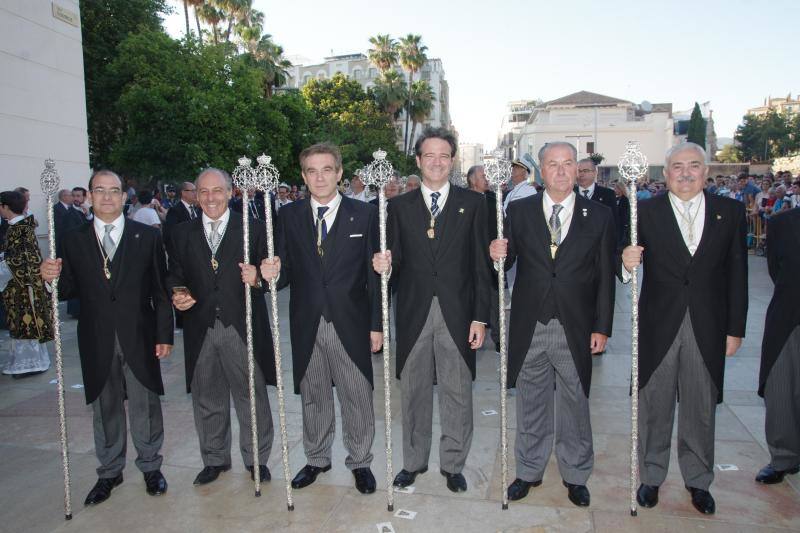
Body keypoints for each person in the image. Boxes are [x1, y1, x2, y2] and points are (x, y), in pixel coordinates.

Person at [621, 142, 748, 515]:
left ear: (706, 172)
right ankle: (651, 476)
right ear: (665, 173)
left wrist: (734, 328)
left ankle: (698, 480)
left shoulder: (730, 211)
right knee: (653, 405)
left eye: (694, 165)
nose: (686, 173)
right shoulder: (644, 211)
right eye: (677, 166)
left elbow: (737, 273)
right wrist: (626, 263)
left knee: (700, 407)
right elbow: (620, 255)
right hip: (659, 324)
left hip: (708, 326)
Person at [489, 142, 615, 507]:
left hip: (575, 324)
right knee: (530, 400)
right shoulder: (520, 209)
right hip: (531, 322)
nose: (560, 171)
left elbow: (606, 277)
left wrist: (602, 326)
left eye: (568, 163)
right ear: (540, 171)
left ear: (577, 169)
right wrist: (496, 252)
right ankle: (529, 470)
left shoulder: (600, 215)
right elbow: (507, 256)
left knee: (575, 401)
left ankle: (576, 473)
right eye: (552, 164)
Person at [40, 170, 173, 505]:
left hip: (140, 334)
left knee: (145, 403)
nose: (108, 197)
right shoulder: (73, 239)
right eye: (100, 191)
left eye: (114, 191)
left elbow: (160, 289)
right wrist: (48, 278)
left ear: (124, 196)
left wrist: (164, 334)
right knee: (105, 405)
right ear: (88, 195)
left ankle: (150, 466)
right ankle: (110, 471)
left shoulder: (147, 235)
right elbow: (67, 289)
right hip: (96, 336)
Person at [373, 127, 491, 493]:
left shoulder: (473, 204)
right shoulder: (397, 207)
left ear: (452, 160)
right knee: (414, 392)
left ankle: (453, 463)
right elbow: (389, 268)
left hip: (458, 312)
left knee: (458, 391)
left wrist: (481, 316)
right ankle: (413, 461)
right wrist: (383, 268)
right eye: (429, 155)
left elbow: (480, 267)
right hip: (413, 313)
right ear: (419, 160)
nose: (436, 162)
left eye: (444, 155)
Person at [261, 142, 382, 494]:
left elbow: (374, 277)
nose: (320, 177)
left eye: (327, 169)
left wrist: (376, 325)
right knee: (313, 394)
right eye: (312, 170)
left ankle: (360, 461)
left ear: (340, 173)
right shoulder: (289, 216)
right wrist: (271, 271)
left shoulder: (366, 214)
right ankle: (316, 458)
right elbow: (283, 274)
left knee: (356, 395)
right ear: (303, 175)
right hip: (306, 321)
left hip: (352, 320)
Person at [168, 168, 275, 486]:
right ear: (195, 195)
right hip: (200, 325)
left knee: (250, 395)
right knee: (207, 394)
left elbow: (271, 273)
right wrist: (178, 293)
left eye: (218, 190)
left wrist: (258, 277)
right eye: (203, 191)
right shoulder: (181, 233)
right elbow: (174, 274)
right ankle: (214, 458)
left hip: (242, 325)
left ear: (231, 192)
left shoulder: (253, 228)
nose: (211, 197)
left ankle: (257, 459)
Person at [756, 207, 800, 484]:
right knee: (782, 385)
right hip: (789, 315)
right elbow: (777, 270)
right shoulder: (783, 223)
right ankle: (784, 456)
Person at [1, 191, 52, 377]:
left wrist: (3, 267)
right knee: (21, 324)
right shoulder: (19, 226)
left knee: (26, 324)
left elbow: (21, 260)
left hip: (24, 287)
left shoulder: (20, 228)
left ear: (6, 206)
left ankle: (30, 364)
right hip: (20, 285)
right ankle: (25, 362)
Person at [467, 164, 501, 353]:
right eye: (482, 176)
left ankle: (498, 338)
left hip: (490, 258)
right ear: (472, 180)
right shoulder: (462, 199)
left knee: (494, 298)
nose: (487, 179)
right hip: (467, 258)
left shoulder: (493, 200)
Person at [576, 158, 618, 230]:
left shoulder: (608, 194)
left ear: (595, 173)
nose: (581, 174)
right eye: (578, 171)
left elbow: (614, 221)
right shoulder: (570, 193)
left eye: (585, 171)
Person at [163, 181, 198, 253]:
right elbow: (168, 235)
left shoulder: (195, 209)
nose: (196, 193)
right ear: (184, 193)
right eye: (193, 191)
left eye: (196, 191)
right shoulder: (175, 211)